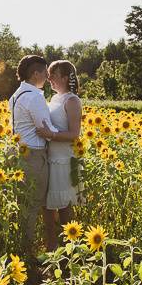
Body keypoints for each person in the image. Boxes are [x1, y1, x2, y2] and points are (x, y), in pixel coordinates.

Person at [8, 55, 57, 285]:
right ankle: (26, 255)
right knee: (34, 204)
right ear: (36, 74)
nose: (48, 79)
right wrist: (67, 132)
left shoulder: (16, 95)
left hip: (20, 153)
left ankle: (22, 250)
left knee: (24, 204)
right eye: (46, 74)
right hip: (35, 155)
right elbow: (46, 130)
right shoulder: (35, 97)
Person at [36, 60, 82, 251]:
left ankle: (69, 248)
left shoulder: (72, 101)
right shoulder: (54, 99)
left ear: (65, 77)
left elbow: (74, 135)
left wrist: (51, 135)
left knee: (63, 207)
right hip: (50, 158)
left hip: (64, 160)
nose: (49, 79)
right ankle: (52, 246)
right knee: (47, 205)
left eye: (53, 75)